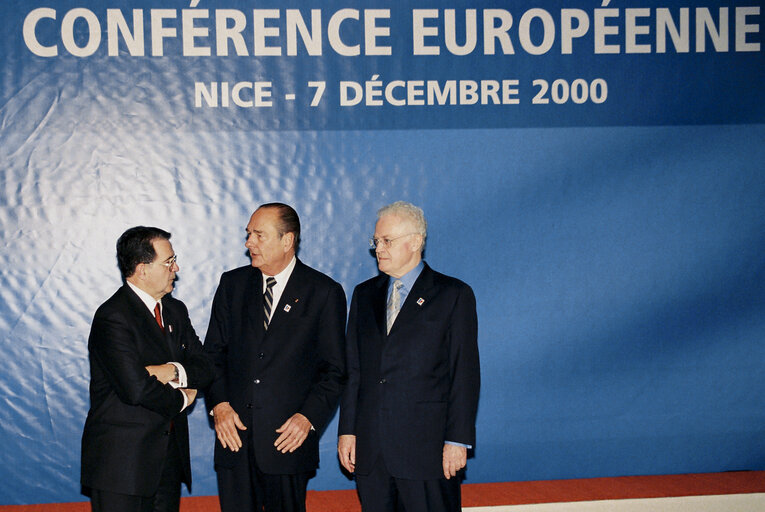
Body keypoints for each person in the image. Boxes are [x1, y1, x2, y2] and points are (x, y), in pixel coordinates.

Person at [338, 201, 480, 512]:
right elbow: (354, 370)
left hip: (427, 452)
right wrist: (348, 430)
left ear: (414, 242)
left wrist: (457, 440)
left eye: (386, 240)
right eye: (376, 241)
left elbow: (464, 373)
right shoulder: (364, 295)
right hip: (372, 451)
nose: (378, 248)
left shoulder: (452, 295)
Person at [204, 203, 347, 512]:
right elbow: (212, 355)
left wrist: (308, 417)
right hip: (234, 442)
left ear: (287, 241)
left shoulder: (323, 292)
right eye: (248, 235)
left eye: (258, 235)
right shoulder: (232, 285)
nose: (249, 243)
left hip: (286, 444)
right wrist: (219, 405)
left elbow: (334, 370)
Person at [81, 226, 213, 512]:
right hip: (123, 466)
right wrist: (181, 398)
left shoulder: (176, 310)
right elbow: (136, 388)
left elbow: (205, 366)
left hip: (167, 461)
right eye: (168, 262)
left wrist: (171, 370)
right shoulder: (113, 317)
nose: (176, 268)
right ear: (142, 269)